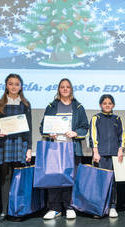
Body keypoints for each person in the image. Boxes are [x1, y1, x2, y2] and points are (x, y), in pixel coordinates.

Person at [40, 78, 89, 220]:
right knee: (54, 178)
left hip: (72, 148)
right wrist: (49, 132)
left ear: (71, 89)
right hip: (55, 148)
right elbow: (43, 126)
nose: (65, 89)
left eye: (68, 87)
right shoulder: (52, 106)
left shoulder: (78, 107)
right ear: (59, 89)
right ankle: (54, 208)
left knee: (70, 178)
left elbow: (84, 127)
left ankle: (69, 207)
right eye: (62, 87)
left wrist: (76, 133)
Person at [0, 74, 32, 224]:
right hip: (5, 144)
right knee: (5, 178)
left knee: (18, 178)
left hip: (20, 143)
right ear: (6, 85)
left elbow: (29, 129)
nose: (14, 86)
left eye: (17, 84)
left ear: (21, 86)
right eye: (11, 84)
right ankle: (3, 211)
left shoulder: (25, 104)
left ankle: (17, 210)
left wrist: (29, 148)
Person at [89, 94, 125, 218]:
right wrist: (95, 152)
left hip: (115, 155)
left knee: (113, 182)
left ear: (113, 105)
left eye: (109, 103)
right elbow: (93, 136)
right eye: (104, 103)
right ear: (100, 105)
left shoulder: (117, 119)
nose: (107, 105)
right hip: (101, 155)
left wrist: (120, 150)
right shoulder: (96, 118)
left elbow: (122, 136)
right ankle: (99, 208)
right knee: (101, 182)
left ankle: (112, 207)